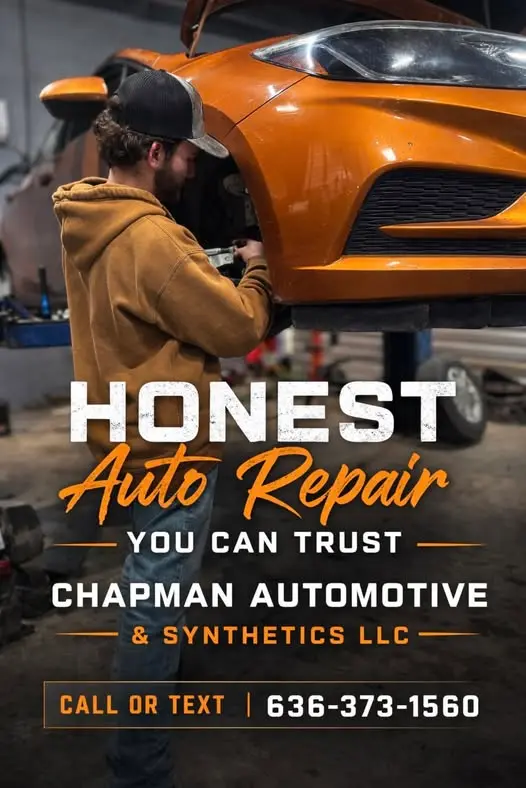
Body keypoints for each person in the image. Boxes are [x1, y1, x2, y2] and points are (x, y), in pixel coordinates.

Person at [52, 69, 274, 788]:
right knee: (154, 604)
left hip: (122, 438)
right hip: (172, 449)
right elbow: (237, 328)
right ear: (154, 153)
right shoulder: (153, 239)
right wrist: (257, 272)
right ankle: (138, 767)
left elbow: (146, 300)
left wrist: (200, 268)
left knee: (145, 586)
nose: (193, 167)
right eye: (185, 154)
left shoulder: (88, 217)